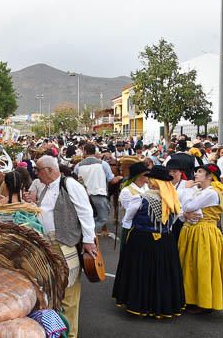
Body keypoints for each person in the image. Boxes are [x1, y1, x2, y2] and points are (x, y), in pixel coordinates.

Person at [24, 155, 96, 338]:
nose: (36, 174)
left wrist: (88, 240)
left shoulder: (70, 184)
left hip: (65, 244)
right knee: (55, 291)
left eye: (38, 170)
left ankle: (70, 334)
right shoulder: (46, 187)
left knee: (69, 293)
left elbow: (85, 211)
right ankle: (59, 331)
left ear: (48, 170)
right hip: (49, 245)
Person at [112, 165, 185, 318]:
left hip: (142, 240)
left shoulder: (140, 198)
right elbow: (176, 218)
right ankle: (161, 304)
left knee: (140, 272)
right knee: (163, 272)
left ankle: (140, 303)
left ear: (154, 182)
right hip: (166, 241)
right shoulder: (172, 200)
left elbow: (128, 219)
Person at [178, 164, 223, 313]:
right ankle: (191, 298)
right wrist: (185, 212)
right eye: (196, 171)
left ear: (210, 176)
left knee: (203, 267)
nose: (196, 174)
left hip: (204, 233)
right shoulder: (200, 191)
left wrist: (186, 191)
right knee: (190, 266)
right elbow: (181, 208)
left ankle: (204, 302)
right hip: (194, 231)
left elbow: (187, 206)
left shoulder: (211, 193)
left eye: (200, 172)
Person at [73, 143, 121, 235]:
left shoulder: (78, 166)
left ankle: (86, 232)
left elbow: (75, 179)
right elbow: (112, 180)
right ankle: (88, 232)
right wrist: (119, 178)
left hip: (84, 196)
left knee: (86, 217)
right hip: (99, 195)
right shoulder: (103, 164)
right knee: (102, 218)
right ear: (94, 152)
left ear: (85, 151)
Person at [117, 162, 149, 251]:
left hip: (144, 227)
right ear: (138, 176)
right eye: (146, 174)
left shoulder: (147, 187)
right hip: (131, 227)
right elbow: (131, 211)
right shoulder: (126, 191)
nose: (149, 176)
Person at [166, 158, 197, 243]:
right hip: (167, 219)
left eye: (175, 171)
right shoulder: (164, 185)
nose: (172, 174)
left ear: (180, 172)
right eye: (170, 171)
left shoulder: (187, 184)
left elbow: (193, 202)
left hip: (182, 221)